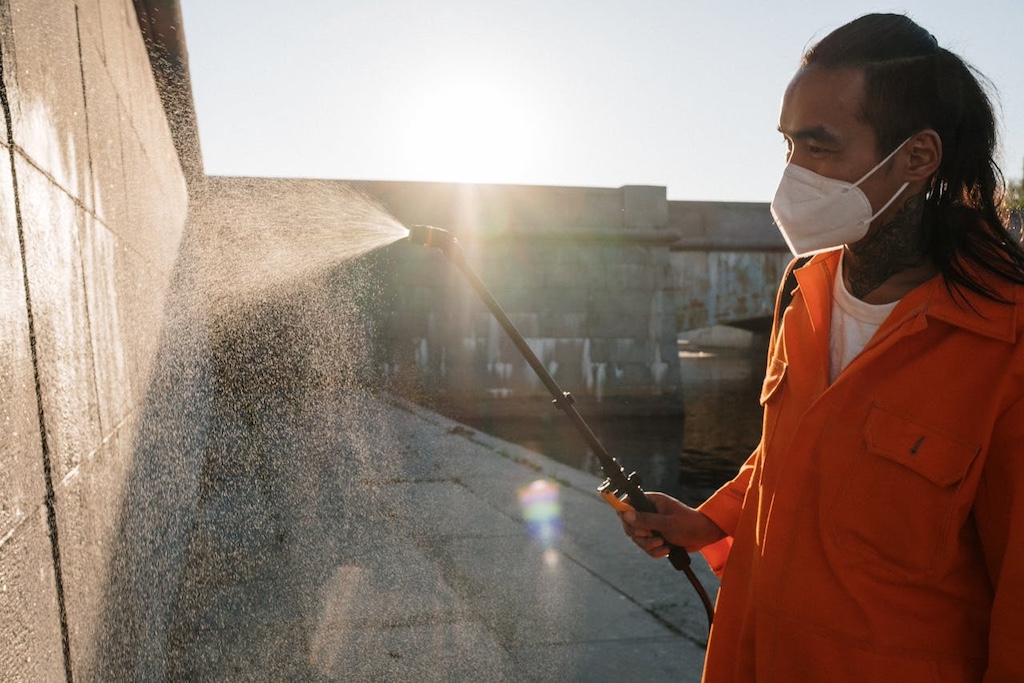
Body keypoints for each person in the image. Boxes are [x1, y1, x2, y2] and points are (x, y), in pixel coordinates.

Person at [620, 13, 1024, 681]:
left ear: (918, 158)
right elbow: (792, 451)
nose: (792, 176)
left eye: (820, 148)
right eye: (788, 147)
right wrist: (707, 522)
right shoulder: (801, 287)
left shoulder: (1005, 340)